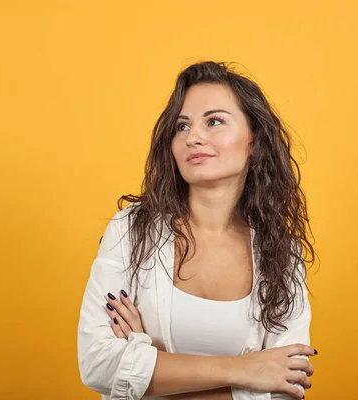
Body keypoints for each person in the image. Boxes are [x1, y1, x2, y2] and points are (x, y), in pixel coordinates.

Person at [77, 61, 318, 400]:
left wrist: (150, 366)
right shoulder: (132, 230)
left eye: (214, 121)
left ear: (255, 142)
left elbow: (284, 386)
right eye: (182, 126)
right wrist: (244, 371)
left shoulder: (282, 254)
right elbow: (98, 364)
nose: (194, 137)